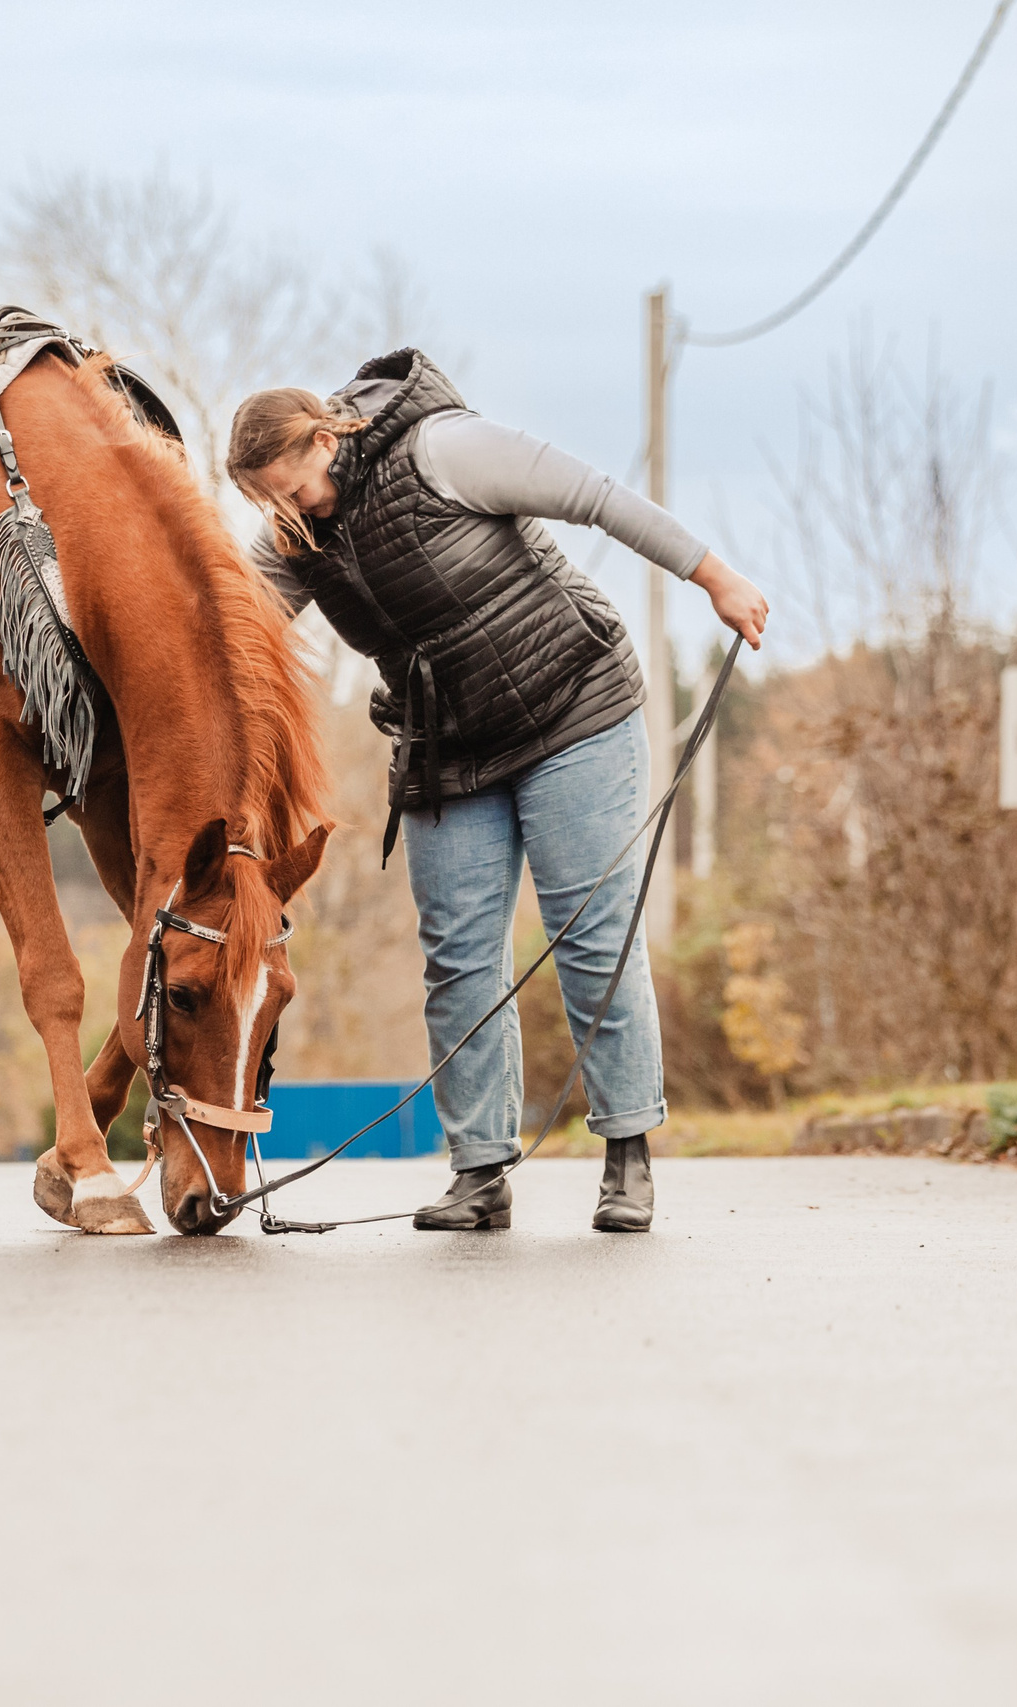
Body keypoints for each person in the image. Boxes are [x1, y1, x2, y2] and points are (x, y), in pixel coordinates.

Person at [228, 350, 767, 1232]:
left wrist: (714, 576)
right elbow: (233, 636)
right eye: (267, 502)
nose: (287, 513)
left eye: (295, 488)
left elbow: (597, 496)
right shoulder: (294, 534)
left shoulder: (444, 449)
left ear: (329, 437)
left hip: (572, 711)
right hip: (447, 746)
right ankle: (479, 1170)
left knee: (590, 939)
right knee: (459, 955)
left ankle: (627, 1154)